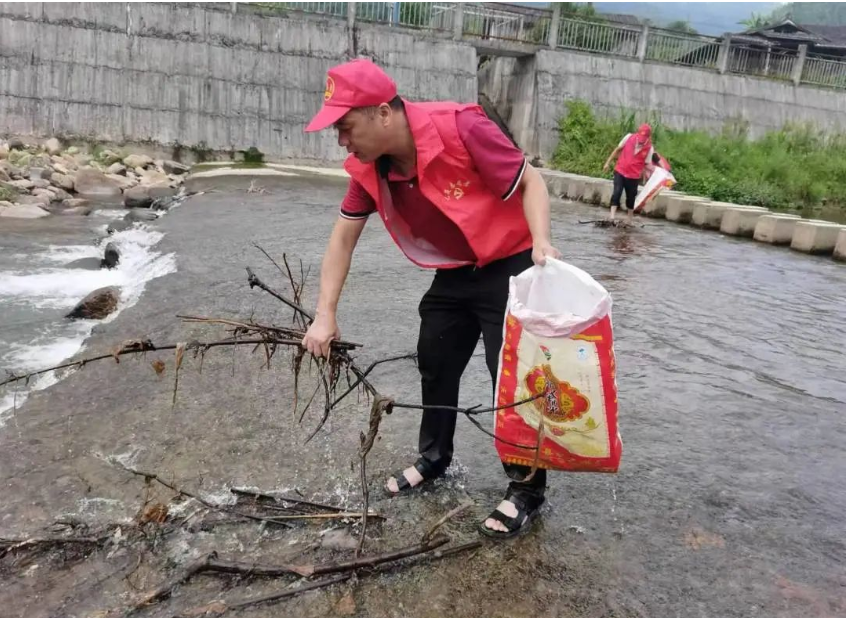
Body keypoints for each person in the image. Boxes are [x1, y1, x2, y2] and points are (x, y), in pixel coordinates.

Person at [301, 59, 561, 538]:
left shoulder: (462, 127)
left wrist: (541, 241)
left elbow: (531, 182)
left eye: (346, 126)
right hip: (455, 270)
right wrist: (325, 315)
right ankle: (435, 457)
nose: (341, 139)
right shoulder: (368, 170)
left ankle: (525, 488)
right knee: (435, 357)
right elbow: (342, 239)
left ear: (383, 113)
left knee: (508, 375)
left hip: (509, 263)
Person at [602, 124, 654, 223]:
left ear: (648, 137)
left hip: (633, 176)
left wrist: (648, 177)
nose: (641, 140)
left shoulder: (649, 148)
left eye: (644, 138)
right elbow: (617, 149)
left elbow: (646, 164)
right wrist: (607, 163)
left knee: (631, 197)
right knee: (617, 192)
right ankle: (612, 217)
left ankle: (629, 218)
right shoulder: (629, 137)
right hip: (620, 170)